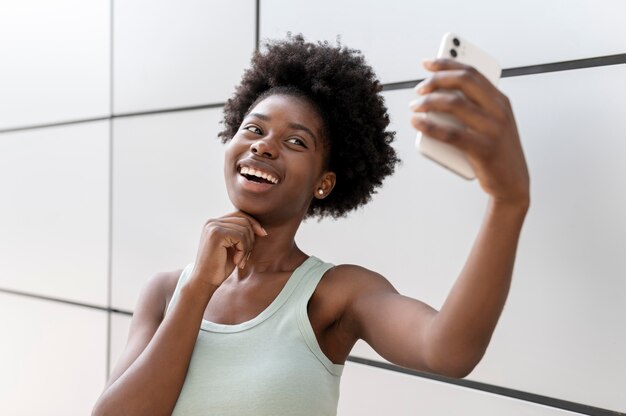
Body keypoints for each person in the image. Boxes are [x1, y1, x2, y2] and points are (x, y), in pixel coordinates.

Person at [92, 34, 530, 416]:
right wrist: (198, 289)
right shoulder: (167, 292)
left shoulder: (337, 295)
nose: (264, 146)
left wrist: (508, 201)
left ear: (324, 183)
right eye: (254, 129)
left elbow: (448, 350)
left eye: (295, 141)